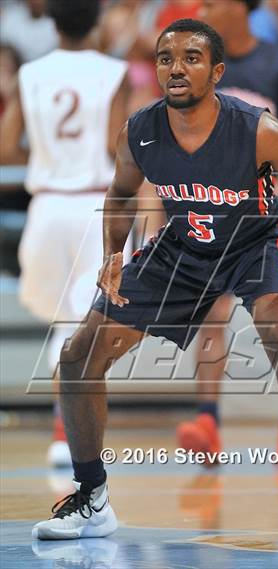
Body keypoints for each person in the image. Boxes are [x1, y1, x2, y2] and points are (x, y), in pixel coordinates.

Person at [32, 18, 278, 546]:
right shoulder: (139, 130)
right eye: (166, 58)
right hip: (185, 247)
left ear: (216, 72)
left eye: (191, 57)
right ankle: (91, 498)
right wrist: (114, 253)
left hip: (256, 241)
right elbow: (119, 194)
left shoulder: (257, 129)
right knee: (77, 355)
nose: (176, 67)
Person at [175, 0, 278, 460]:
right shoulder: (196, 64)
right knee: (212, 313)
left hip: (269, 208)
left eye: (213, 2)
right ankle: (208, 420)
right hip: (212, 208)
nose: (203, 8)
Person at [0, 0, 128, 466]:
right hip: (95, 203)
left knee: (63, 323)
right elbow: (120, 147)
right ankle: (69, 431)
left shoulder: (30, 74)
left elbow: (6, 145)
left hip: (48, 204)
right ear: (96, 20)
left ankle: (65, 428)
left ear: (50, 21)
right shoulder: (113, 72)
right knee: (84, 326)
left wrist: (46, 162)